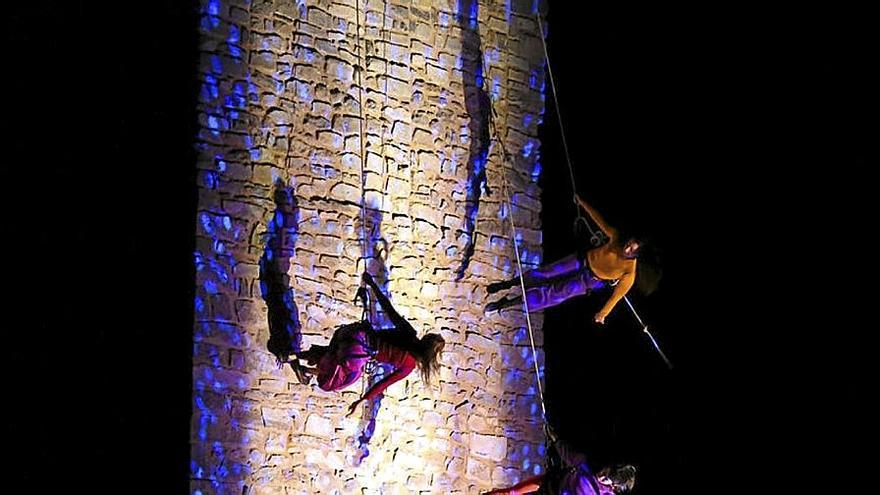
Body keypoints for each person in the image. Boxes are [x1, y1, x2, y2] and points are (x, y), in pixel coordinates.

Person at [288, 272, 445, 415]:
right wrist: (362, 400)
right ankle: (308, 370)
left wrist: (372, 284)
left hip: (355, 333)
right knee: (348, 375)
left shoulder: (409, 332)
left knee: (331, 352)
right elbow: (383, 383)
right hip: (359, 352)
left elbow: (389, 309)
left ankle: (294, 356)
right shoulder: (409, 365)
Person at [485, 194, 654, 324]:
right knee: (547, 273)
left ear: (636, 254)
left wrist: (602, 314)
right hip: (582, 260)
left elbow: (615, 297)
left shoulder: (629, 273)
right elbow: (598, 219)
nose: (627, 248)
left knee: (557, 293)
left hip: (590, 280)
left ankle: (505, 304)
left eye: (632, 249)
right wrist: (582, 203)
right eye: (630, 243)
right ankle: (506, 285)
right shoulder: (617, 238)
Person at [482, 427, 636, 495]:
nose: (602, 476)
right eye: (606, 472)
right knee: (510, 493)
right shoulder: (588, 465)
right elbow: (567, 454)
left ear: (615, 487)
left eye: (607, 479)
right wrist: (554, 437)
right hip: (551, 484)